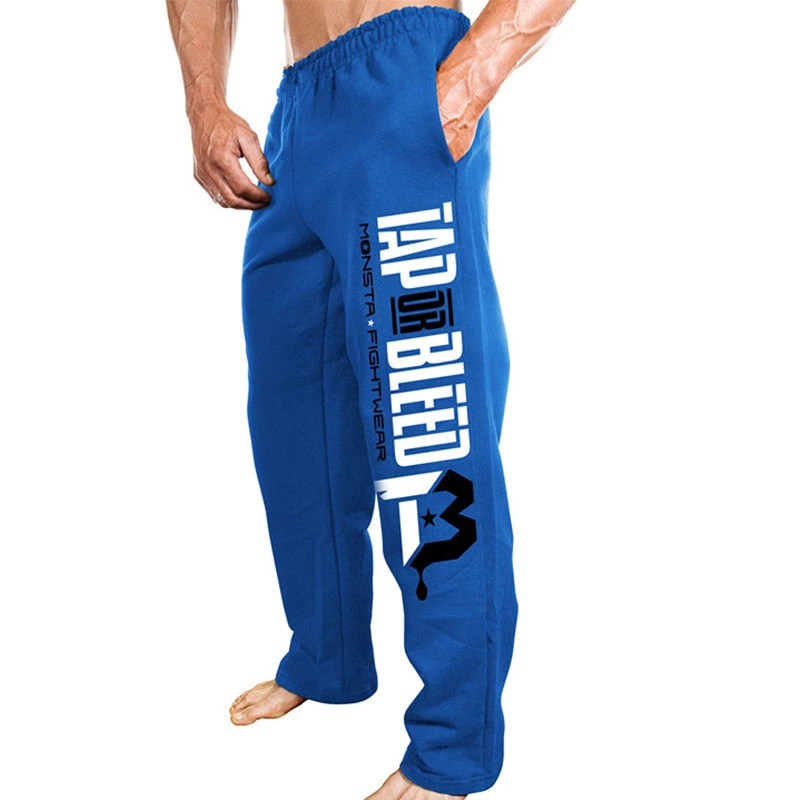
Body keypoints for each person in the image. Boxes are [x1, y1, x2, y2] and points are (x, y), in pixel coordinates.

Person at [166, 1, 576, 797]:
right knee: (295, 423)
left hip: (406, 83)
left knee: (426, 437)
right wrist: (204, 102)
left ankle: (452, 746)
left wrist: (466, 81)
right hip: (297, 113)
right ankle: (327, 656)